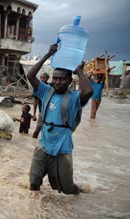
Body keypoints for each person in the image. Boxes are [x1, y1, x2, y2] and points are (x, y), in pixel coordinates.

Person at [27, 44, 93, 195]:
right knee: (33, 182)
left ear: (69, 81)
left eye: (62, 79)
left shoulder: (74, 97)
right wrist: (47, 55)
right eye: (55, 78)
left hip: (62, 147)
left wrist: (80, 72)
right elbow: (30, 76)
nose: (57, 82)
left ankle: (81, 192)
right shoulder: (46, 91)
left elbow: (88, 91)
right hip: (44, 144)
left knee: (67, 189)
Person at [32, 72, 50, 138]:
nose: (42, 79)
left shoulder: (51, 87)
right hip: (42, 111)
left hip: (51, 111)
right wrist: (34, 114)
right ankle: (33, 141)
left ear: (47, 79)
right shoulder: (37, 88)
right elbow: (35, 102)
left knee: (48, 129)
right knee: (38, 128)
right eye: (41, 78)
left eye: (44, 78)